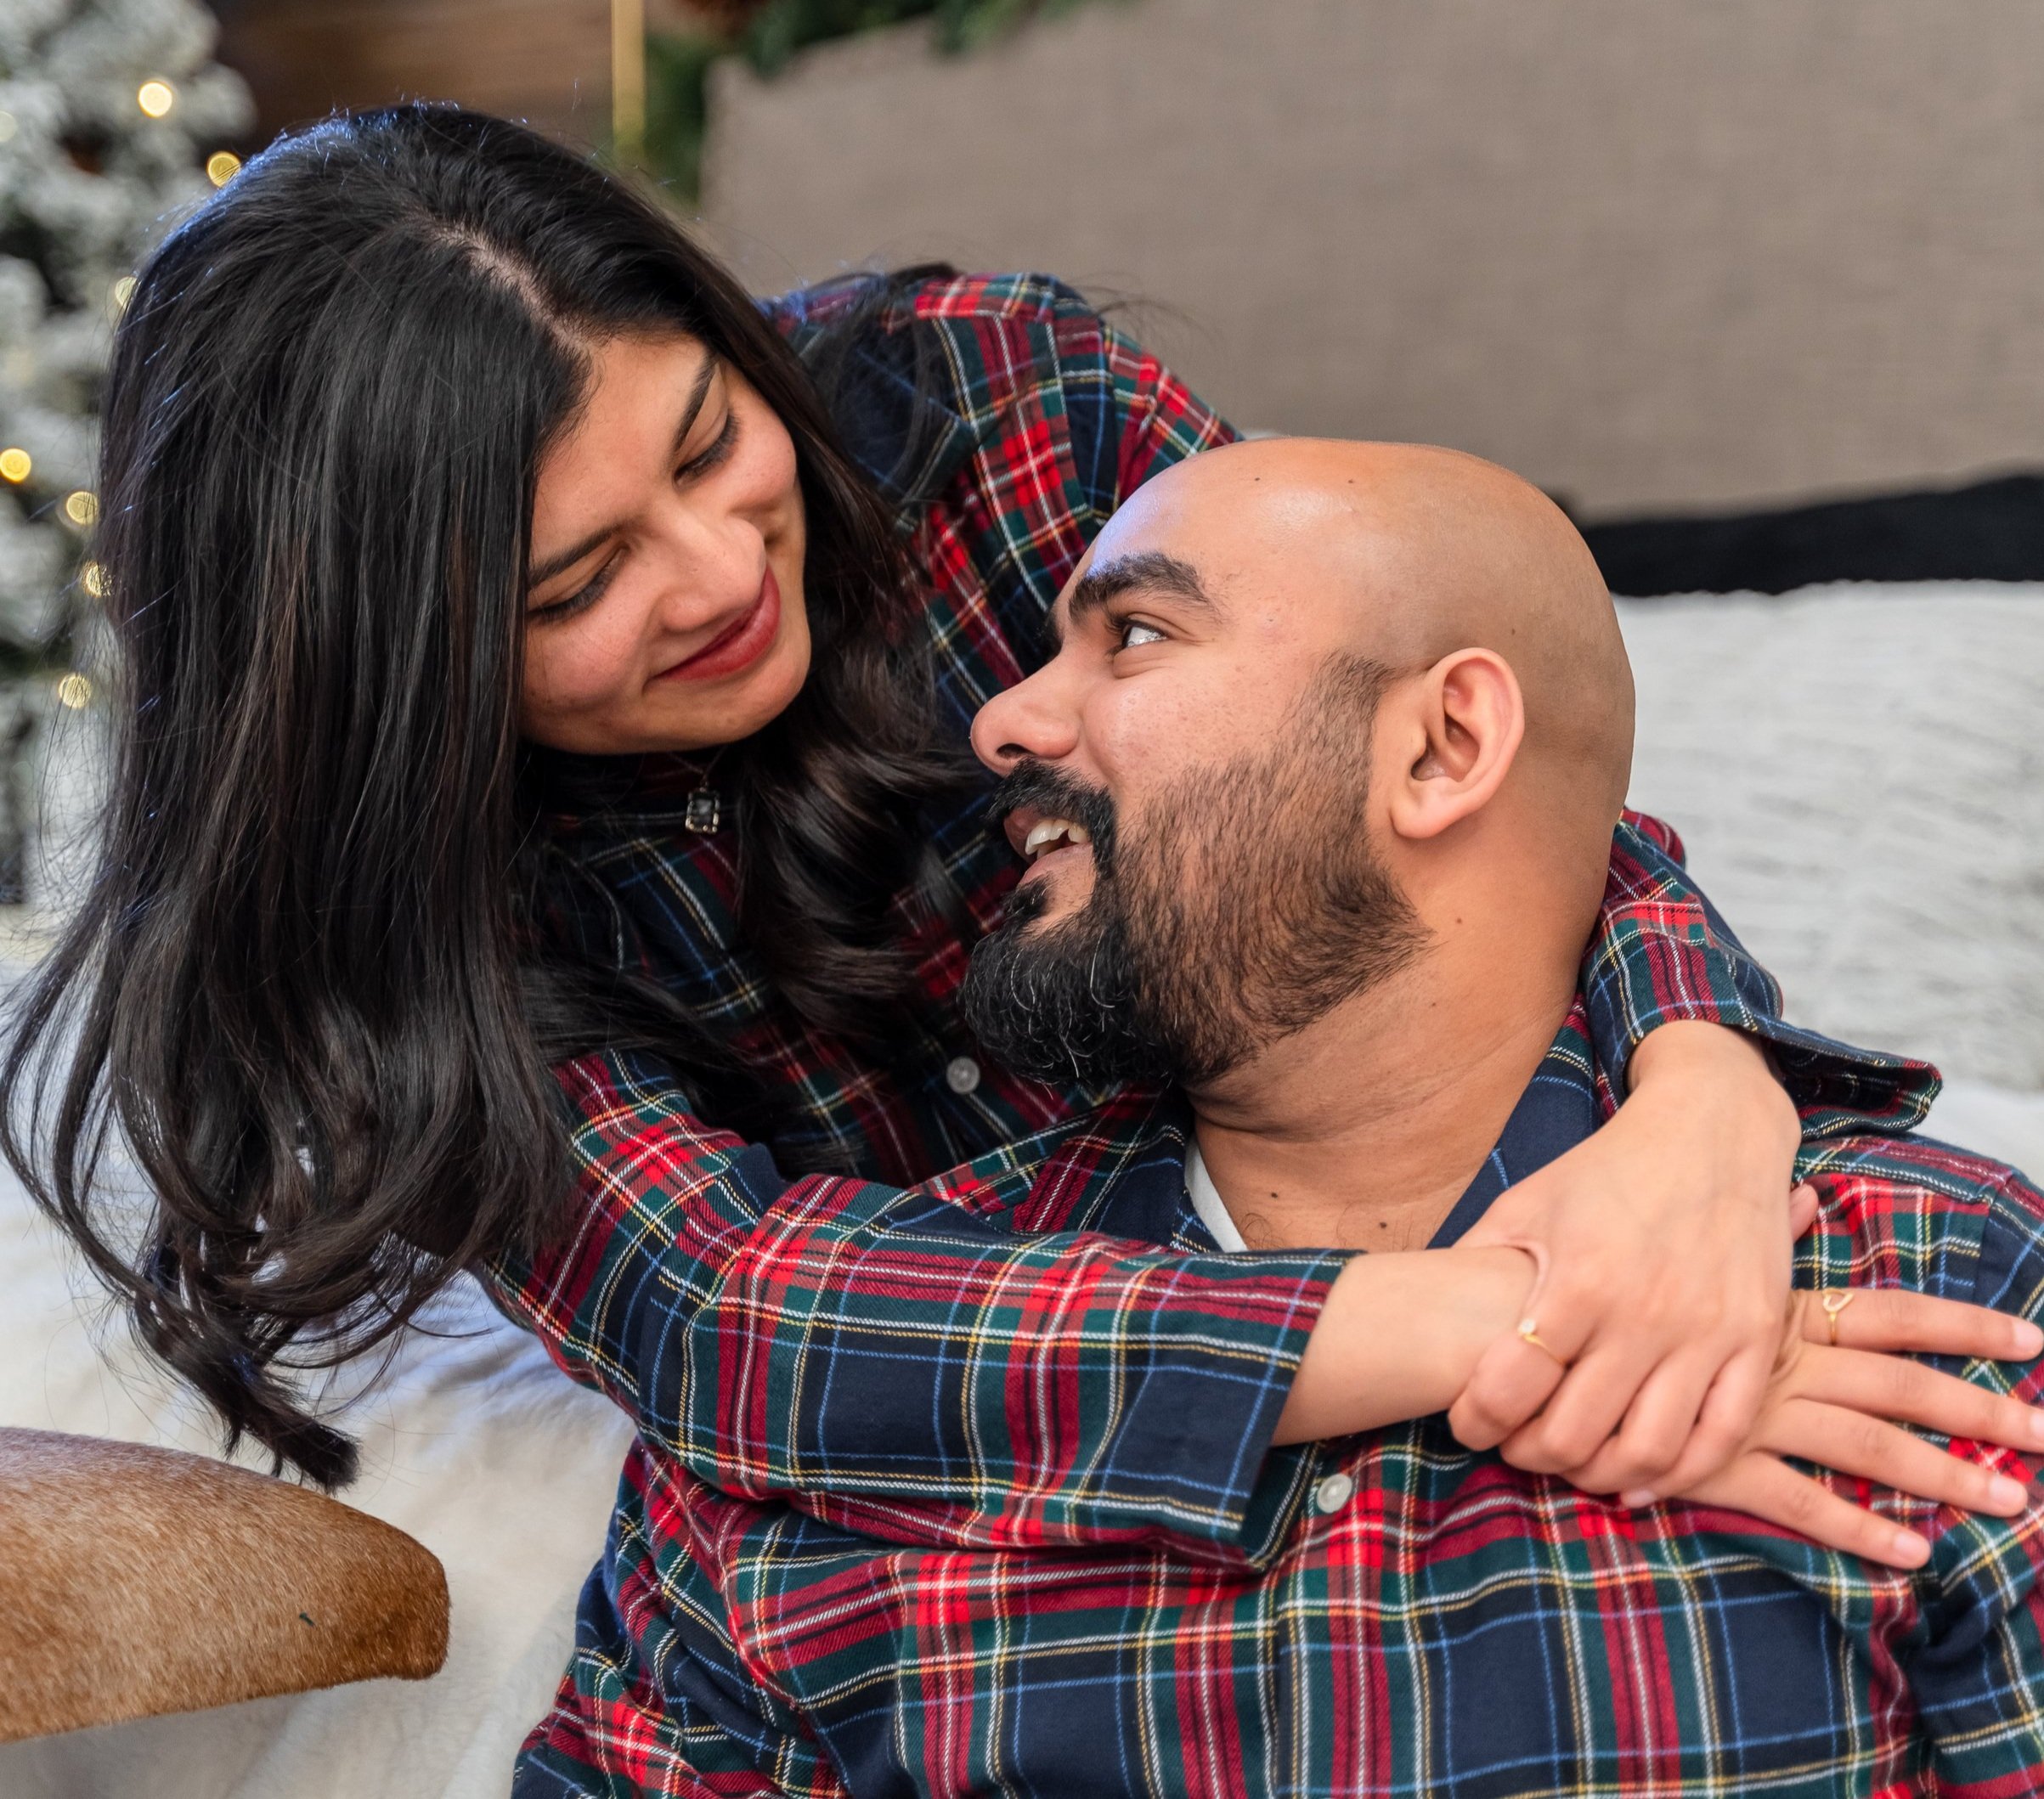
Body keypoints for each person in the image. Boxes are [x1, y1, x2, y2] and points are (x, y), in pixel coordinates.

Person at [0, 107, 1951, 1733]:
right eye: (576, 581)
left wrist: (1709, 1089)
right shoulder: (392, 918)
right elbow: (731, 1309)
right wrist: (1511, 1326)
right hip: (1032, 1343)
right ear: (391, 676)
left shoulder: (986, 410)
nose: (711, 574)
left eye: (704, 443)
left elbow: (1422, 742)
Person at [511, 438, 2044, 1796]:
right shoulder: (843, 1413)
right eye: (570, 577)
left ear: (1441, 747)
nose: (998, 721)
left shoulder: (1945, 1294)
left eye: (1135, 634)